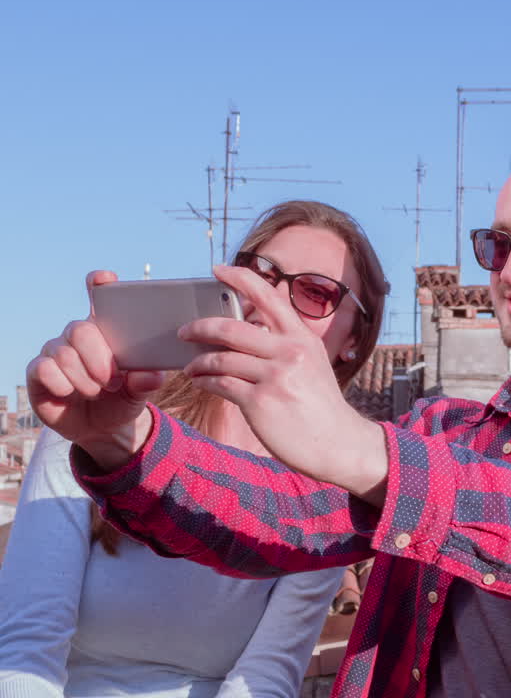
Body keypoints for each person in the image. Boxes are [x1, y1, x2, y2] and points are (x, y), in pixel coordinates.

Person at [27, 124, 511, 698]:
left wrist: (363, 452)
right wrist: (124, 438)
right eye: (498, 244)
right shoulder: (438, 431)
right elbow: (279, 518)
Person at [0, 199, 389, 698]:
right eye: (259, 273)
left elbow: (265, 677)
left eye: (314, 292)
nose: (265, 300)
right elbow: (26, 650)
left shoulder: (337, 482)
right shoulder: (108, 413)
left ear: (354, 338)